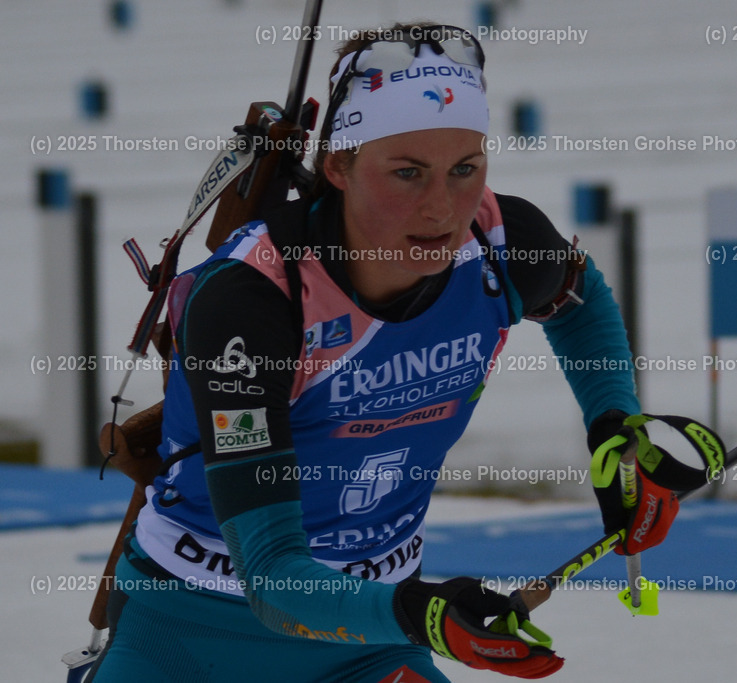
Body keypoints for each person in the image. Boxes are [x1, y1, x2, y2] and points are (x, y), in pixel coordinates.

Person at [86, 23, 685, 683]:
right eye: (407, 172)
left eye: (466, 168)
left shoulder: (498, 241)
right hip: (190, 635)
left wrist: (615, 427)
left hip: (364, 644)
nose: (441, 206)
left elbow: (581, 297)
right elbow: (274, 578)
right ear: (338, 166)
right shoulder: (253, 303)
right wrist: (421, 613)